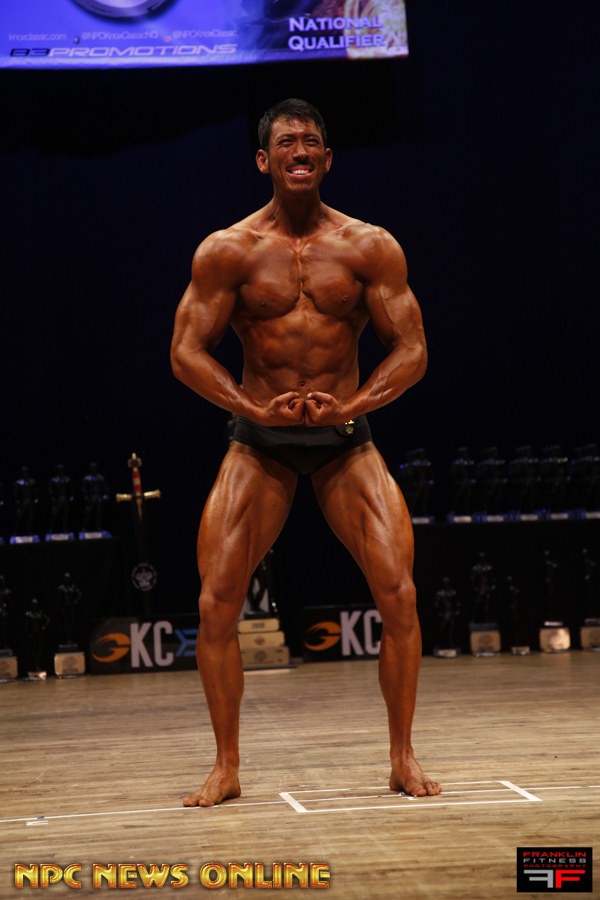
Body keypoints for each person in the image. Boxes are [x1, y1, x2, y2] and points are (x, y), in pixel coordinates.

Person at [171, 98, 441, 806]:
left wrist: (354, 404)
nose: (301, 150)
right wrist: (250, 407)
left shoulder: (368, 247)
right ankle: (226, 766)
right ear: (265, 160)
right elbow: (186, 351)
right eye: (287, 141)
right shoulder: (227, 250)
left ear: (327, 159)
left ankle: (403, 757)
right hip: (261, 440)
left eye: (312, 141)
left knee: (400, 594)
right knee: (216, 602)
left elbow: (412, 349)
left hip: (344, 439)